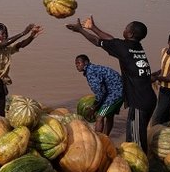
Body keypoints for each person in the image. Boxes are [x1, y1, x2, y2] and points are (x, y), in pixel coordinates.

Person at [66, 16, 156, 152]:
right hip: (147, 98)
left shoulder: (125, 49)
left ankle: (141, 168)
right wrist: (93, 27)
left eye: (126, 28)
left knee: (137, 144)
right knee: (132, 137)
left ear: (130, 34)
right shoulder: (136, 47)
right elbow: (112, 41)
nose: (124, 29)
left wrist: (81, 30)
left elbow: (98, 41)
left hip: (140, 102)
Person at [0, 23, 42, 91]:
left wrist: (31, 36)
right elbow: (3, 44)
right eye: (2, 34)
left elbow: (21, 45)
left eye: (6, 34)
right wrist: (23, 33)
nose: (5, 36)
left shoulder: (7, 47)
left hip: (1, 80)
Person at [74, 54, 124, 135]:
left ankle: (98, 139)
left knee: (99, 117)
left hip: (115, 94)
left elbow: (100, 92)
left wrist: (94, 107)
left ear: (86, 62)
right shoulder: (93, 68)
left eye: (79, 63)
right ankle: (105, 137)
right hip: (118, 91)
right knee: (109, 116)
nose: (77, 65)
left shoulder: (90, 72)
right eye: (76, 63)